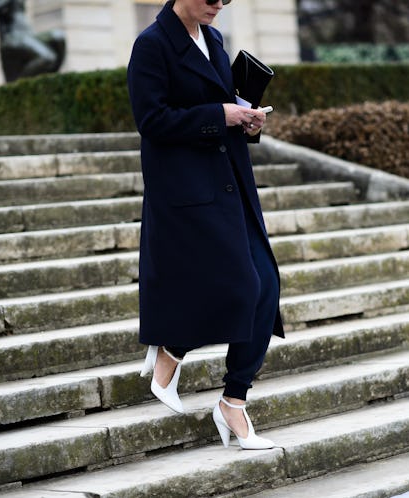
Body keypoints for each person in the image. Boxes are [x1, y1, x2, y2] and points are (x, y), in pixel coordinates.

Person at [126, 0, 284, 450]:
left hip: (231, 182)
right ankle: (171, 349)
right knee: (239, 287)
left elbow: (225, 106)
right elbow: (151, 121)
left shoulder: (213, 38)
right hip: (188, 194)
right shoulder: (151, 46)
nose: (219, 5)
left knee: (267, 285)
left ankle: (232, 401)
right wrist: (221, 116)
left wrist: (246, 119)